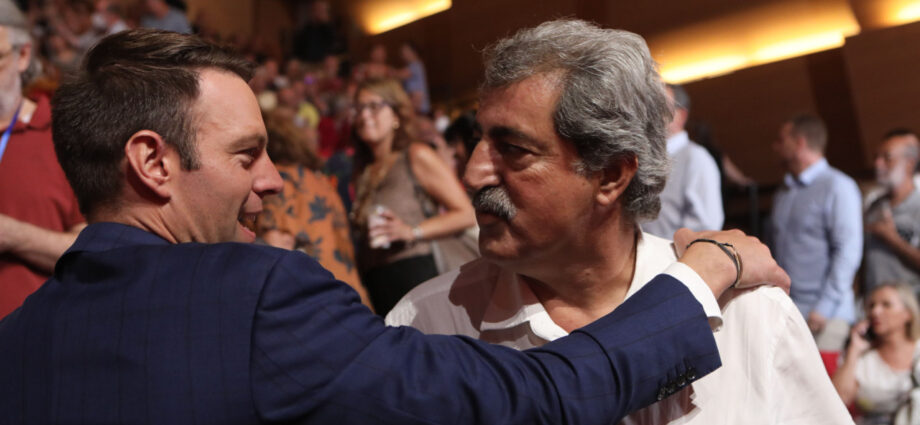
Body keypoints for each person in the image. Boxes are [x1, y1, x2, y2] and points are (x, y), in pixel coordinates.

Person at [0, 28, 791, 425]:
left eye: (512, 149)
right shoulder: (262, 301)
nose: (272, 180)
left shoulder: (16, 342)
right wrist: (703, 276)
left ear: (612, 175)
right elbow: (539, 395)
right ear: (152, 162)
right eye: (246, 155)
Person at [387, 19, 850, 425]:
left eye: (513, 149)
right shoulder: (426, 324)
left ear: (610, 175)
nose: (472, 175)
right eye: (479, 141)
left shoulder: (749, 316)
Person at [349, 78, 475, 316]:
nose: (364, 115)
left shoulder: (415, 155)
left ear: (396, 114)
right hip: (378, 281)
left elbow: (466, 214)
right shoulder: (363, 171)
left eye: (374, 106)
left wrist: (412, 231)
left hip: (416, 273)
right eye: (358, 108)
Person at [0, 0, 85, 318]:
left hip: (30, 334)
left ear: (23, 56)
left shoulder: (62, 135)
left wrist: (13, 235)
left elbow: (94, 251)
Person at [770, 113, 863, 363]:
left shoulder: (837, 186)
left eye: (781, 140)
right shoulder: (784, 191)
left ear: (800, 143)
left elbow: (848, 251)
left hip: (826, 315)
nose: (775, 147)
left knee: (826, 385)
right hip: (789, 309)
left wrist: (825, 307)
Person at [256, 109, 371, 309]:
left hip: (319, 302)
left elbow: (276, 248)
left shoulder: (280, 183)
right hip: (352, 295)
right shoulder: (319, 180)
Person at [642, 84, 723, 238]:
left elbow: (705, 226)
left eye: (660, 106)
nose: (651, 113)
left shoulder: (696, 158)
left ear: (681, 116)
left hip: (674, 252)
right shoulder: (644, 158)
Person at [833, 283, 920, 425]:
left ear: (908, 314)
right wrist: (854, 349)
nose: (875, 311)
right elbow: (838, 399)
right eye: (871, 306)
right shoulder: (862, 357)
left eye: (886, 305)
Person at [864, 129, 920, 295]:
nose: (878, 164)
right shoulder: (873, 206)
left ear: (909, 163)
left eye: (887, 158)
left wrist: (893, 239)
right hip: (874, 303)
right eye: (876, 157)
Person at [392, 42, 430, 115]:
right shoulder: (412, 66)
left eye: (405, 51)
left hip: (419, 110)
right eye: (402, 52)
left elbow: (400, 74)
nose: (403, 54)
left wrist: (385, 71)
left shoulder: (416, 65)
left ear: (414, 52)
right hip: (414, 108)